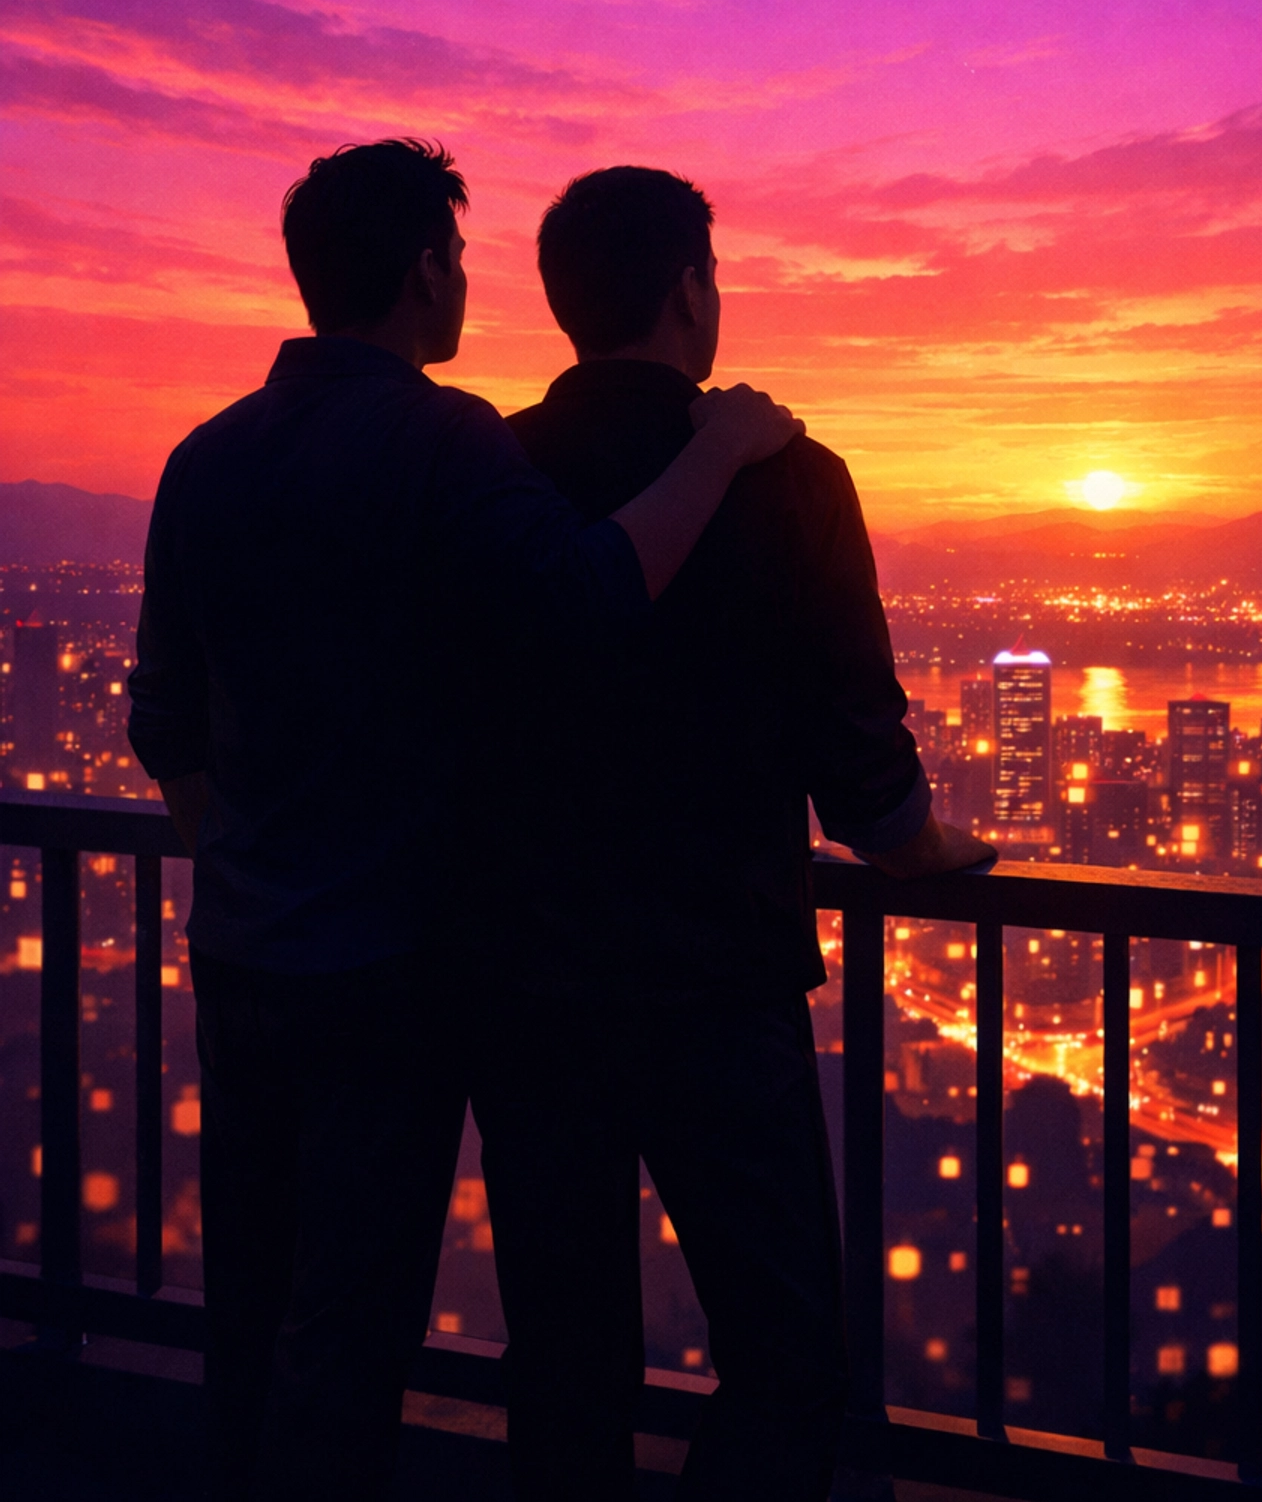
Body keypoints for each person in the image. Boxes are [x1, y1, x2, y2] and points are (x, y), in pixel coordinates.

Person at [126, 140, 800, 1502]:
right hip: (391, 969)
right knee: (350, 1322)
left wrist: (252, 866)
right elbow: (590, 596)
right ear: (428, 270)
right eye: (460, 257)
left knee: (252, 1305)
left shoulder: (207, 456)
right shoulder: (442, 438)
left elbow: (164, 728)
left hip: (244, 957)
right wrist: (722, 448)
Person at [468, 165, 993, 1502]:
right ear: (693, 293)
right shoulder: (790, 479)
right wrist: (921, 845)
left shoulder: (499, 470)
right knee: (786, 1352)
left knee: (564, 1353)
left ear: (566, 300)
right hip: (718, 972)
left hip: (529, 977)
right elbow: (858, 747)